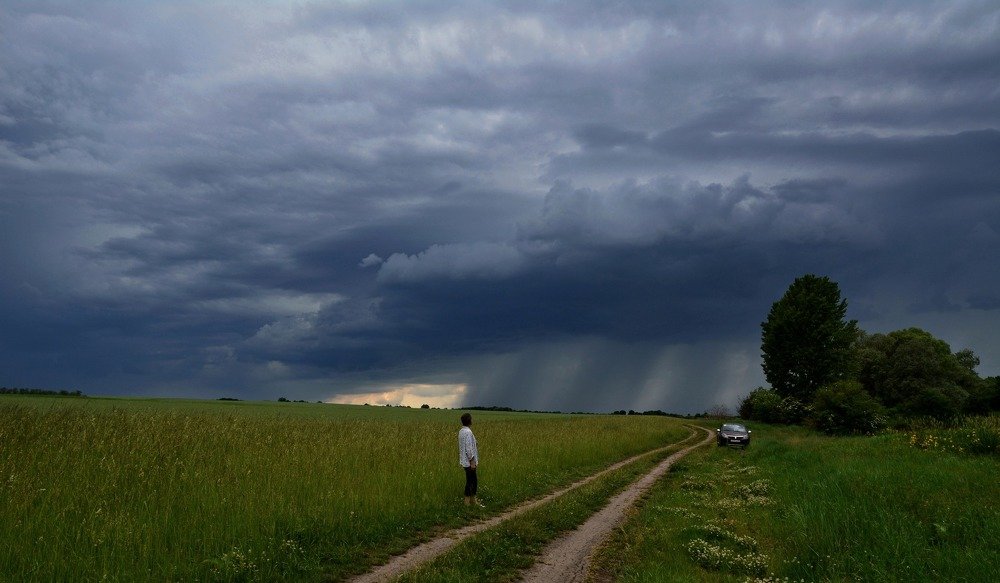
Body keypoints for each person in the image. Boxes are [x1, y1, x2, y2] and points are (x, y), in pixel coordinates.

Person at [458, 412, 481, 506]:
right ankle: (470, 502)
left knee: (471, 480)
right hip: (469, 462)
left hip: (464, 460)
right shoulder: (468, 432)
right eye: (471, 418)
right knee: (472, 481)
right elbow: (468, 448)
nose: (472, 420)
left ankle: (469, 501)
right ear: (469, 420)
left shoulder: (462, 431)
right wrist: (472, 461)